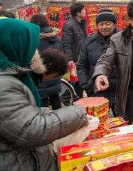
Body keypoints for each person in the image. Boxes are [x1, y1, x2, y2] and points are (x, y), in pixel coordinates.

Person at [0, 18, 88, 171]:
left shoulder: (14, 76)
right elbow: (31, 129)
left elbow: (20, 115)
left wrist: (45, 113)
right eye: (30, 47)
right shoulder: (4, 84)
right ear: (14, 45)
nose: (34, 53)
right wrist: (79, 112)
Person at [77, 9, 118, 110]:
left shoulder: (122, 40)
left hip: (119, 90)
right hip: (96, 90)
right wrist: (86, 84)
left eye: (108, 23)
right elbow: (81, 65)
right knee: (98, 122)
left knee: (121, 122)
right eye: (101, 24)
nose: (104, 27)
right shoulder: (89, 42)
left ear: (114, 24)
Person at [62, 2, 87, 97]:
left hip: (82, 57)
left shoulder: (82, 23)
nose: (85, 11)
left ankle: (77, 99)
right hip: (75, 59)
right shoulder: (69, 25)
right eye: (83, 9)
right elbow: (66, 44)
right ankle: (66, 98)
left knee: (79, 82)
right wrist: (70, 60)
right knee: (74, 81)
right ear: (77, 12)